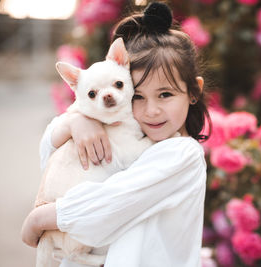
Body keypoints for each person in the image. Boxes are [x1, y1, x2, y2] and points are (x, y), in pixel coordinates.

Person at [21, 2, 211, 267]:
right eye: (140, 96)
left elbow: (108, 204)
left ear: (193, 92)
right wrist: (76, 122)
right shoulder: (125, 129)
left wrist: (38, 219)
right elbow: (50, 155)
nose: (151, 110)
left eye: (165, 94)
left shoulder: (182, 153)